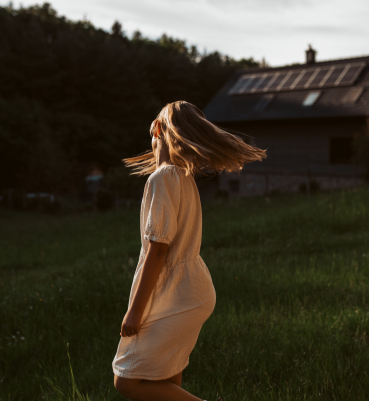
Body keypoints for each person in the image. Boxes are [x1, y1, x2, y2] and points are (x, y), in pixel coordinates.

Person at [112, 101, 266, 401]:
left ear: (158, 129)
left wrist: (134, 312)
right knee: (165, 378)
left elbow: (158, 251)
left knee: (126, 382)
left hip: (176, 294)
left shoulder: (163, 178)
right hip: (191, 290)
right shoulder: (182, 177)